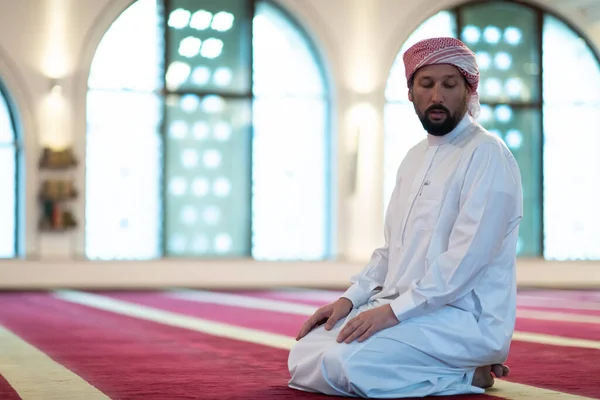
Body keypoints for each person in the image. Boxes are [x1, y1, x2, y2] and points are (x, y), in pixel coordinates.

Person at [287, 37, 523, 398]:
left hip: (460, 319)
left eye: (449, 84)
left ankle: (467, 374)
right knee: (304, 355)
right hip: (401, 310)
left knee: (352, 364)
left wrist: (391, 313)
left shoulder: (487, 155)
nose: (437, 96)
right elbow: (389, 251)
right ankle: (451, 371)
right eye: (426, 84)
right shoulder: (413, 158)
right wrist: (349, 301)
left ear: (468, 90)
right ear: (411, 92)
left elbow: (465, 262)